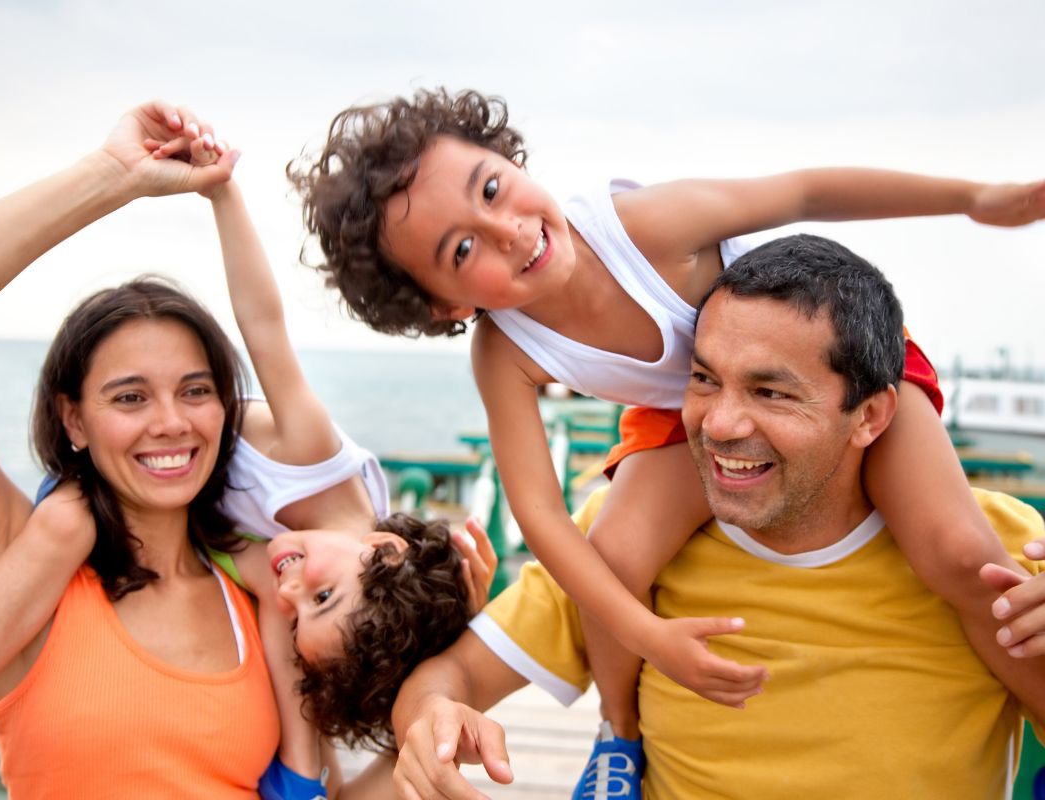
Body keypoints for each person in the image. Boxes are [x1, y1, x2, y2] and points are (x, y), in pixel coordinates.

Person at [289, 86, 1045, 796]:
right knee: (615, 557)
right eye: (461, 252)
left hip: (828, 372)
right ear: (440, 304)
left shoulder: (644, 227)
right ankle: (619, 737)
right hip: (689, 413)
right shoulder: (505, 351)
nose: (510, 231)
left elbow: (806, 190)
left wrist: (973, 199)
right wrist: (651, 637)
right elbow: (544, 521)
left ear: (506, 158)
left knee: (962, 555)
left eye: (489, 189)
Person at [0, 102, 478, 800]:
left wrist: (458, 666)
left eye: (195, 390)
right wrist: (111, 176)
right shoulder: (19, 570)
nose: (170, 423)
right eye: (128, 397)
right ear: (74, 421)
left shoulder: (275, 601)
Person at [389, 234, 1045, 800]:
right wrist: (429, 716)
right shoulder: (612, 549)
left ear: (870, 416)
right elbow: (455, 675)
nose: (722, 425)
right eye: (704, 380)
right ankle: (616, 737)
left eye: (771, 392)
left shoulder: (1006, 553)